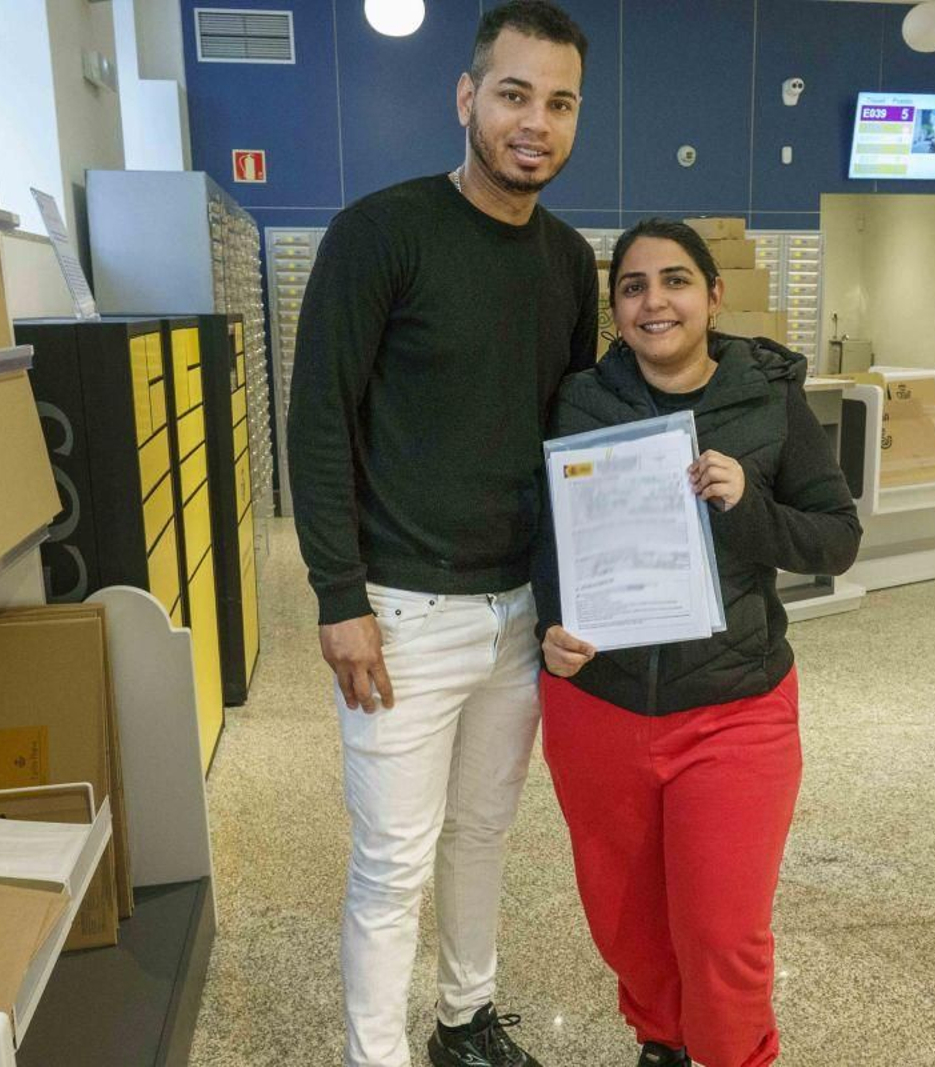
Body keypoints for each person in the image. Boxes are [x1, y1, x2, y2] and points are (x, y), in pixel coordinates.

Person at [286, 4, 596, 1065]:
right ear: (466, 99)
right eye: (513, 94)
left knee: (481, 836)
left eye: (559, 103)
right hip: (402, 613)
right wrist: (339, 596)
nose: (535, 123)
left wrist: (576, 594)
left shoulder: (568, 261)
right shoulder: (381, 232)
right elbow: (319, 418)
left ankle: (466, 1017)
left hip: (517, 610)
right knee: (392, 859)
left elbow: (574, 440)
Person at [533, 218, 863, 1067]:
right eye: (633, 286)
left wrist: (748, 502)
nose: (655, 301)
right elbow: (549, 536)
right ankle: (661, 1041)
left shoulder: (768, 397)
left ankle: (732, 1055)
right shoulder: (581, 400)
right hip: (599, 706)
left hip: (734, 709)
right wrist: (551, 622)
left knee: (720, 934)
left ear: (714, 296)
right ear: (615, 311)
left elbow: (835, 538)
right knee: (628, 922)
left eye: (675, 280)